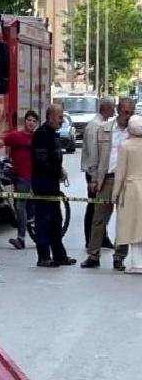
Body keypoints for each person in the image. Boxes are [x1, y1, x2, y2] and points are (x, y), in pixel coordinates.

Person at [83, 97, 134, 268]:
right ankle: (93, 255)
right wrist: (94, 178)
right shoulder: (105, 129)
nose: (128, 116)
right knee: (99, 218)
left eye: (131, 113)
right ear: (118, 110)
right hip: (107, 179)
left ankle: (119, 256)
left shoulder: (134, 132)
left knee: (124, 220)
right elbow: (95, 155)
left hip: (126, 180)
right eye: (126, 112)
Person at [31, 105, 76, 268]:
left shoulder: (53, 134)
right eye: (59, 116)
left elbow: (54, 158)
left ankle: (59, 254)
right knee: (44, 221)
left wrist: (60, 170)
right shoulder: (41, 135)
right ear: (50, 117)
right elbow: (42, 162)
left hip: (52, 184)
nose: (61, 120)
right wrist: (57, 171)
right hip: (43, 184)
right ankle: (43, 256)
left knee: (56, 220)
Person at [80, 97, 117, 249]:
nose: (114, 111)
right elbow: (93, 153)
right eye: (112, 108)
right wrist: (94, 177)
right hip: (94, 173)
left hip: (99, 173)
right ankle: (91, 238)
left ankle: (101, 237)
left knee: (100, 208)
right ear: (105, 108)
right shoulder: (95, 126)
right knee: (94, 207)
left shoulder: (101, 125)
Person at [0, 110, 39, 251]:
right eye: (29, 120)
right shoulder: (16, 136)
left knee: (20, 205)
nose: (31, 123)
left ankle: (21, 238)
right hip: (13, 173)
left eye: (34, 121)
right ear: (25, 121)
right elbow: (1, 142)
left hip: (27, 176)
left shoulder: (37, 138)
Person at [112, 114, 142, 273]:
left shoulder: (125, 146)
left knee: (132, 226)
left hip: (131, 188)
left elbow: (120, 173)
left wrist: (115, 194)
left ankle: (137, 263)